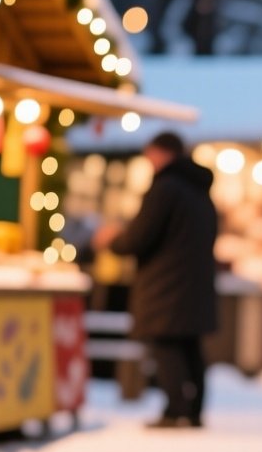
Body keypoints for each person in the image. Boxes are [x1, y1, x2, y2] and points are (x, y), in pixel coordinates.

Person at [93, 132, 218, 428]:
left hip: (165, 283)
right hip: (195, 282)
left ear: (161, 153)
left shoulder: (165, 188)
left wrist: (112, 240)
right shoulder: (199, 190)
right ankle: (195, 411)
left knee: (165, 344)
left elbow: (140, 236)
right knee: (190, 346)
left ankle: (175, 410)